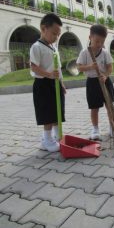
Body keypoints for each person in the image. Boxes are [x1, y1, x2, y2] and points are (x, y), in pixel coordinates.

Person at [30, 13, 66, 152]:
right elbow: (34, 67)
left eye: (58, 35)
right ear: (43, 28)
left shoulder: (53, 47)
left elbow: (58, 68)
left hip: (55, 83)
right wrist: (49, 74)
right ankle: (47, 139)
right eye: (54, 34)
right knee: (47, 112)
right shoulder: (36, 47)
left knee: (58, 109)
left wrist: (61, 83)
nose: (56, 37)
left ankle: (58, 135)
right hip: (43, 84)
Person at [77, 24, 114, 140]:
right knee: (94, 108)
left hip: (104, 81)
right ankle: (95, 129)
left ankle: (112, 126)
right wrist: (90, 66)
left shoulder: (105, 52)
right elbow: (79, 67)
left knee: (109, 106)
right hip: (92, 83)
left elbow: (110, 67)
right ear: (90, 37)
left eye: (102, 41)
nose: (99, 44)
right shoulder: (84, 53)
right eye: (97, 41)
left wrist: (105, 75)